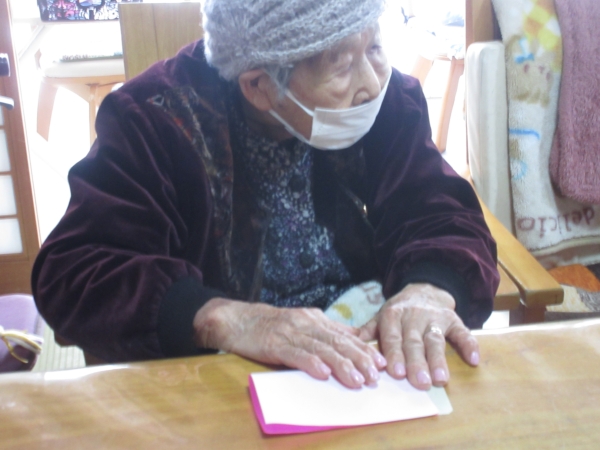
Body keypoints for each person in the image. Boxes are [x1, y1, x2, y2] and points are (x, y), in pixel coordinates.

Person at [32, 0, 499, 390]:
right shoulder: (155, 120)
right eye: (340, 65)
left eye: (374, 46)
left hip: (370, 363)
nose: (372, 82)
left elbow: (439, 209)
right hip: (224, 373)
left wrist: (429, 289)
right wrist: (222, 318)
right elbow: (74, 271)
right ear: (258, 86)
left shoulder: (383, 99)